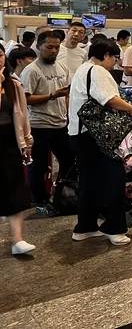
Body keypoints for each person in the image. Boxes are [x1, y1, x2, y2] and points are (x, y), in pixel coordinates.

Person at [68, 38, 132, 246]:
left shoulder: (83, 69)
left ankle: (85, 227)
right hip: (96, 136)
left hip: (79, 134)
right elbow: (109, 99)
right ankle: (114, 228)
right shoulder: (98, 71)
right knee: (114, 178)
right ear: (107, 55)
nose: (115, 64)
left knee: (89, 181)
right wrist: (131, 108)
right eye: (115, 59)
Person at [20, 31, 75, 217]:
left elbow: (66, 95)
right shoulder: (31, 71)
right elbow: (26, 99)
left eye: (57, 47)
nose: (53, 51)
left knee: (69, 160)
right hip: (39, 125)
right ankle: (40, 200)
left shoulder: (62, 68)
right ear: (38, 47)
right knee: (40, 165)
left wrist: (69, 115)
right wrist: (52, 95)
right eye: (49, 47)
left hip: (60, 124)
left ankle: (63, 192)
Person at [0, 44, 36, 255]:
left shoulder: (14, 84)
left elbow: (22, 116)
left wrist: (26, 143)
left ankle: (17, 240)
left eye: (0, 55)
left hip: (9, 141)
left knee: (15, 188)